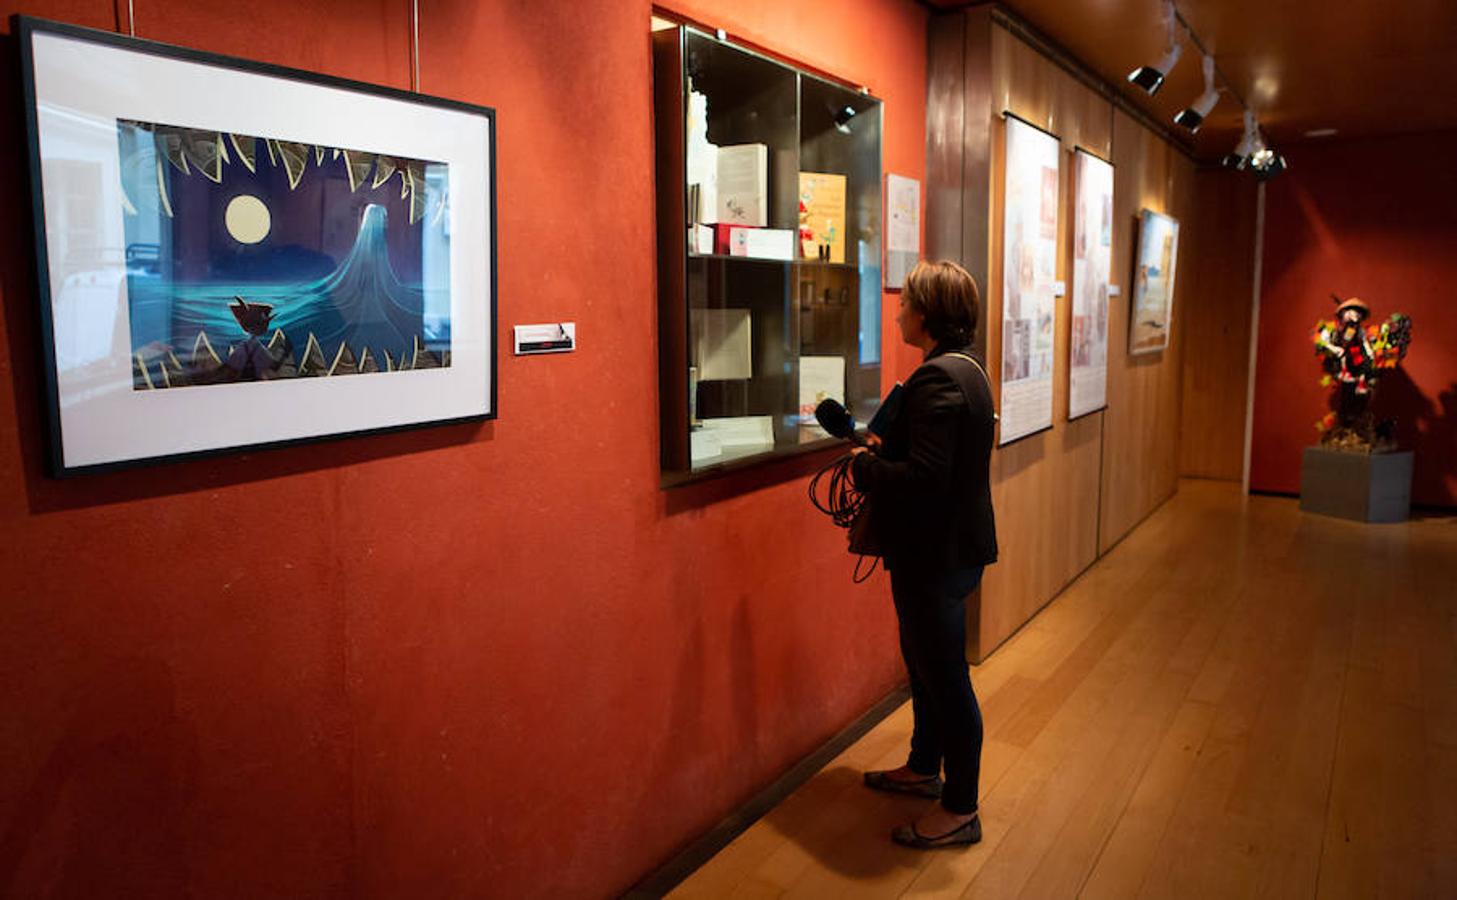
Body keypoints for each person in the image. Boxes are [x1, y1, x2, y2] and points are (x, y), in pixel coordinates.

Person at [850, 259, 998, 849]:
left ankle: (960, 807)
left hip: (935, 553)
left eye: (907, 302)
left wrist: (868, 470)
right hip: (952, 549)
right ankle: (922, 766)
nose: (899, 311)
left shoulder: (937, 378)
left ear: (928, 314)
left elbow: (925, 478)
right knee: (926, 666)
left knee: (945, 676)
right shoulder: (968, 370)